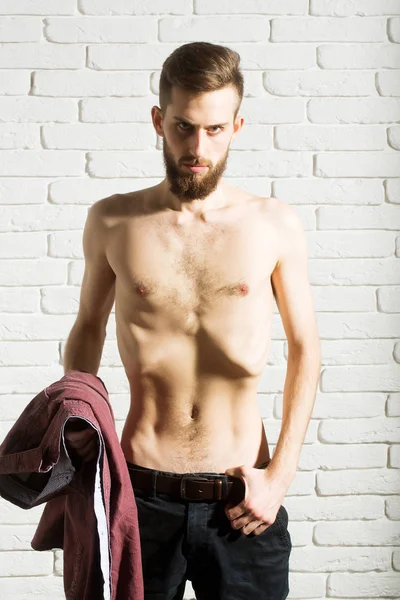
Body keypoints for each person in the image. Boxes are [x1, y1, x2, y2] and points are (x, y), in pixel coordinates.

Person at [63, 41, 321, 600]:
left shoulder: (273, 224)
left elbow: (307, 349)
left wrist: (280, 476)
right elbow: (88, 325)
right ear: (159, 120)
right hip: (140, 491)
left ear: (237, 126)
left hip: (243, 499)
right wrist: (80, 412)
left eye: (215, 129)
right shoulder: (113, 220)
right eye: (183, 127)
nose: (197, 147)